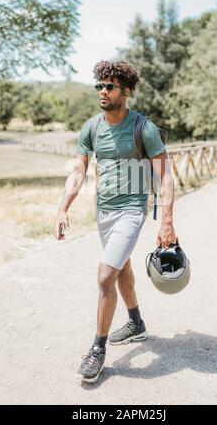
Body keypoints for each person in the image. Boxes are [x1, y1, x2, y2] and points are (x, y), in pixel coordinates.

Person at [54, 60, 176, 383]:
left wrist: (167, 222)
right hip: (103, 213)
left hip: (132, 211)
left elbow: (164, 177)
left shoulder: (143, 127)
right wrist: (63, 207)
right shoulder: (91, 128)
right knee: (121, 268)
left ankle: (97, 349)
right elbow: (78, 171)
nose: (103, 92)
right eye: (100, 86)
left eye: (110, 86)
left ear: (125, 91)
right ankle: (136, 322)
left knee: (105, 275)